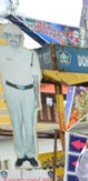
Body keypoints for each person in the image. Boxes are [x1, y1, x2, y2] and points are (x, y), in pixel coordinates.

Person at [0, 23, 41, 167]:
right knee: (16, 125)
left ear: (20, 38)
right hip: (12, 90)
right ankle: (20, 155)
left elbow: (36, 77)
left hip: (29, 91)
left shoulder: (30, 55)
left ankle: (30, 154)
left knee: (29, 125)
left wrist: (37, 98)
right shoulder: (2, 52)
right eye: (9, 36)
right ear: (4, 37)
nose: (12, 39)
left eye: (15, 36)